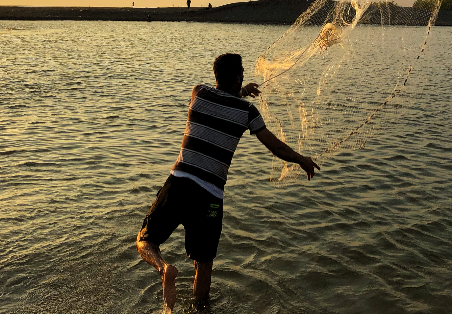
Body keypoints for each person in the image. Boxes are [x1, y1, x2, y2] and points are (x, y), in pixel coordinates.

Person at [136, 53, 319, 311]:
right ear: (238, 76)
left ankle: (163, 267)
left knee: (145, 241)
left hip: (179, 183)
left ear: (216, 75)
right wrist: (301, 159)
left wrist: (239, 91)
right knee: (204, 263)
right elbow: (274, 146)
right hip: (209, 197)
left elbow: (221, 99)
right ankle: (200, 308)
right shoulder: (247, 112)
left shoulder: (198, 93)